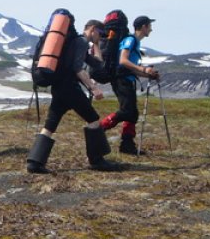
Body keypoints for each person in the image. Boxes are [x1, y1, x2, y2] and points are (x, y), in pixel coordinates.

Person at [26, 19, 119, 174]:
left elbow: (98, 64)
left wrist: (96, 44)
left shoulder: (76, 42)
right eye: (100, 34)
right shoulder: (81, 42)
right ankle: (97, 160)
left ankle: (35, 162)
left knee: (51, 124)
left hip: (58, 88)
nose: (101, 37)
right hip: (70, 88)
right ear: (93, 29)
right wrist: (93, 88)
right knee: (93, 119)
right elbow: (78, 69)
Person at [98, 15, 160, 155]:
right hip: (121, 80)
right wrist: (144, 70)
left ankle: (127, 145)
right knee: (127, 111)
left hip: (127, 79)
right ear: (144, 26)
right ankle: (98, 129)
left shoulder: (134, 42)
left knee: (132, 114)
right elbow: (123, 61)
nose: (151, 29)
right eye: (149, 26)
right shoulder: (130, 40)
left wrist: (149, 75)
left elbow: (130, 68)